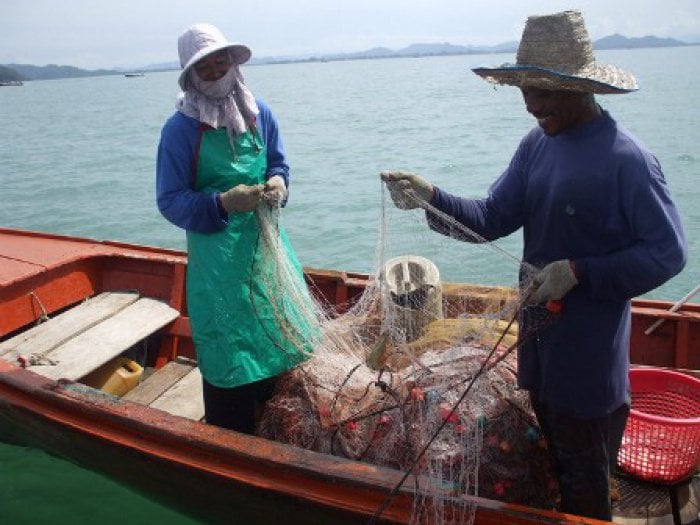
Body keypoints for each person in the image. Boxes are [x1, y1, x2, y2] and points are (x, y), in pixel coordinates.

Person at [380, 10, 687, 521]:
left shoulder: (627, 160)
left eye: (545, 89)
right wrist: (430, 198)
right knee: (563, 469)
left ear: (583, 87)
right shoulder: (536, 145)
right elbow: (491, 217)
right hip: (540, 351)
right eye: (525, 87)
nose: (532, 103)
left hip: (589, 368)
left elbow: (667, 252)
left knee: (587, 488)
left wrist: (580, 271)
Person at [156, 23, 311, 435]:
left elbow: (277, 163)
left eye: (219, 60)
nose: (214, 70)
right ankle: (232, 443)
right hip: (218, 264)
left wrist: (279, 183)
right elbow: (169, 200)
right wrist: (221, 202)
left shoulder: (260, 114)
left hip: (268, 253)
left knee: (279, 338)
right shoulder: (180, 130)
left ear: (232, 61)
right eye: (202, 66)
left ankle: (280, 436)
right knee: (229, 353)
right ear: (190, 75)